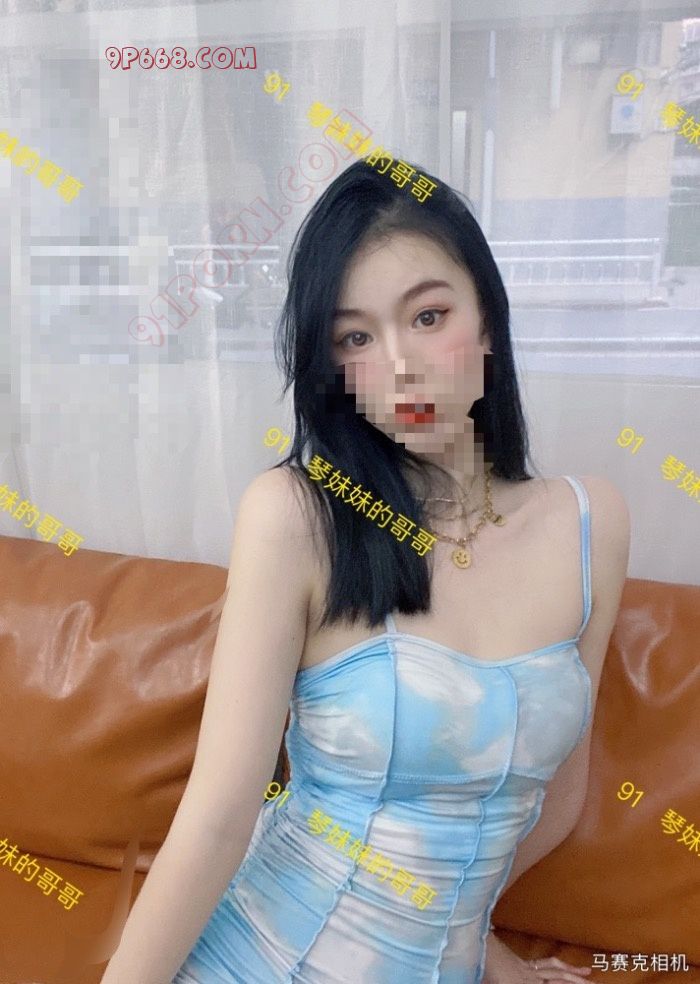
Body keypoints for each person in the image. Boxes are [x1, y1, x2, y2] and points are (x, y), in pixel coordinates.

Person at [100, 159, 630, 984]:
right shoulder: (297, 518)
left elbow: (555, 799)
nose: (402, 366)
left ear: (487, 321)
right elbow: (217, 820)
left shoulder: (591, 524)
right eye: (356, 338)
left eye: (428, 316)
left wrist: (476, 944)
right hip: (262, 957)